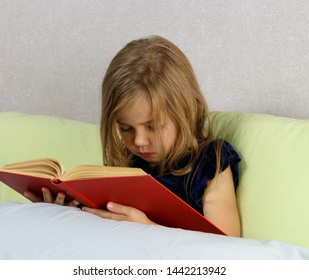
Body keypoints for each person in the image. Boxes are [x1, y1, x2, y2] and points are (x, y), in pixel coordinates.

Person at [24, 35, 241, 237]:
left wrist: (147, 229)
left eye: (153, 126)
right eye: (125, 128)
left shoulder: (211, 163)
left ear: (187, 110)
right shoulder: (129, 167)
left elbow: (226, 250)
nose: (138, 141)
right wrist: (64, 213)